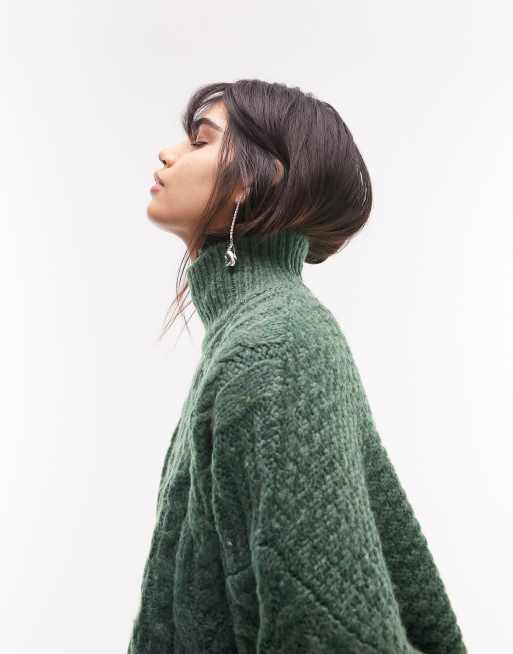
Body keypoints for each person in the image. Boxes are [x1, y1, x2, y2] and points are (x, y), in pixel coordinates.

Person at [127, 79, 467, 653]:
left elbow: (327, 632)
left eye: (201, 141)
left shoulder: (275, 345)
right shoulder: (249, 333)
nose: (167, 154)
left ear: (253, 180)